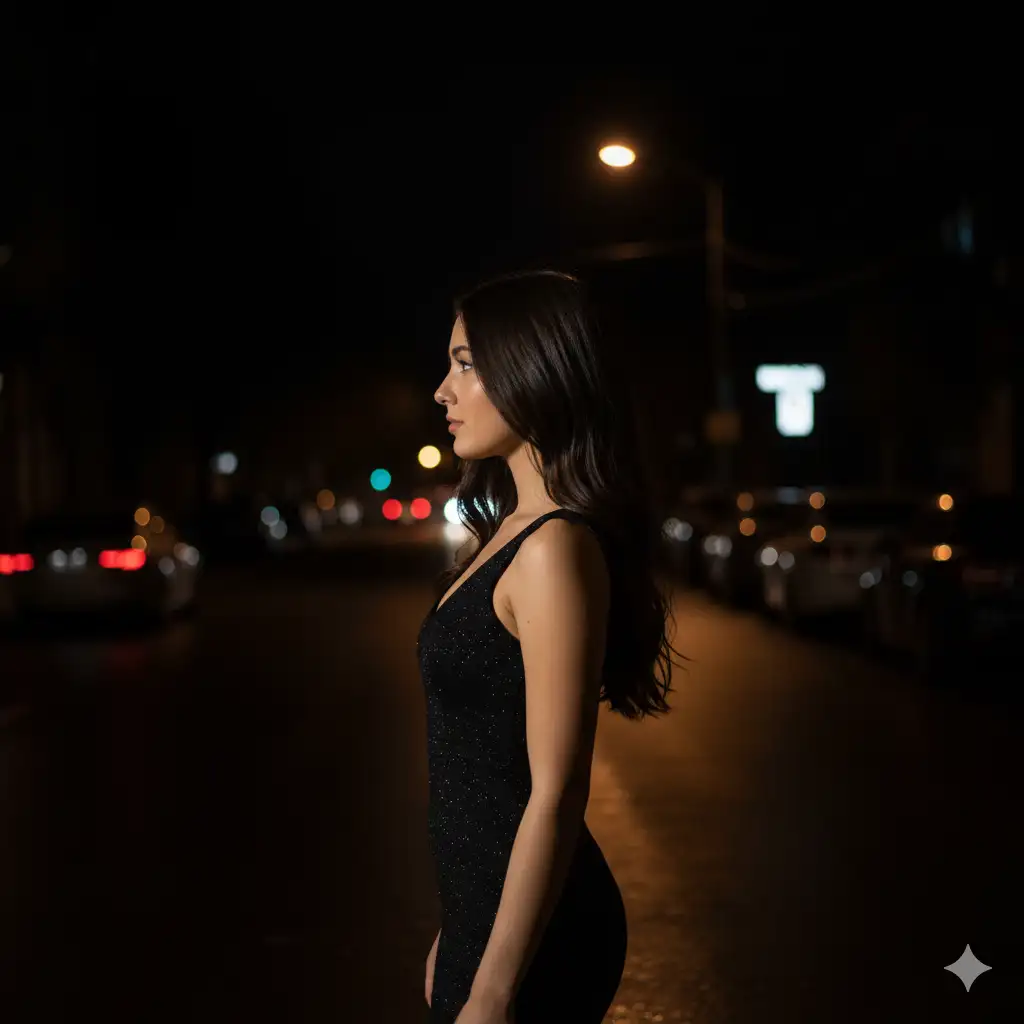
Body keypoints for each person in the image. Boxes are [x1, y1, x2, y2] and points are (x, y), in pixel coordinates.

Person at [420, 270, 684, 1023]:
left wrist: (494, 988)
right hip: (487, 912)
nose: (442, 390)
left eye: (466, 364)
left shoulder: (552, 548)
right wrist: (457, 928)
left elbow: (556, 790)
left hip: (540, 938)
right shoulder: (508, 532)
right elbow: (475, 764)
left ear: (534, 369)